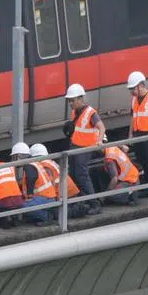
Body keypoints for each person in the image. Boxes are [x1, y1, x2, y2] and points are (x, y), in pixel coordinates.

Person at [65, 83, 105, 214]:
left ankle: (94, 203)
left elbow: (101, 127)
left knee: (81, 175)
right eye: (69, 101)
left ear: (81, 99)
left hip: (85, 148)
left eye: (73, 100)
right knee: (74, 174)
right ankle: (86, 200)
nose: (71, 103)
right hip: (75, 146)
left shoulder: (90, 113)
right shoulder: (75, 112)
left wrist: (99, 141)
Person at [30, 143, 88, 218]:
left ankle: (75, 211)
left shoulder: (44, 166)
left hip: (64, 195)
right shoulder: (50, 162)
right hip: (69, 192)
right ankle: (76, 208)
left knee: (54, 213)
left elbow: (51, 184)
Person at [13, 142, 53, 225]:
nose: (13, 160)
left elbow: (32, 177)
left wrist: (30, 195)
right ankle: (37, 217)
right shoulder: (34, 163)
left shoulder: (29, 165)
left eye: (14, 157)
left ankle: (46, 217)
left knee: (24, 206)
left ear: (19, 156)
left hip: (45, 197)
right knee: (25, 203)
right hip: (47, 196)